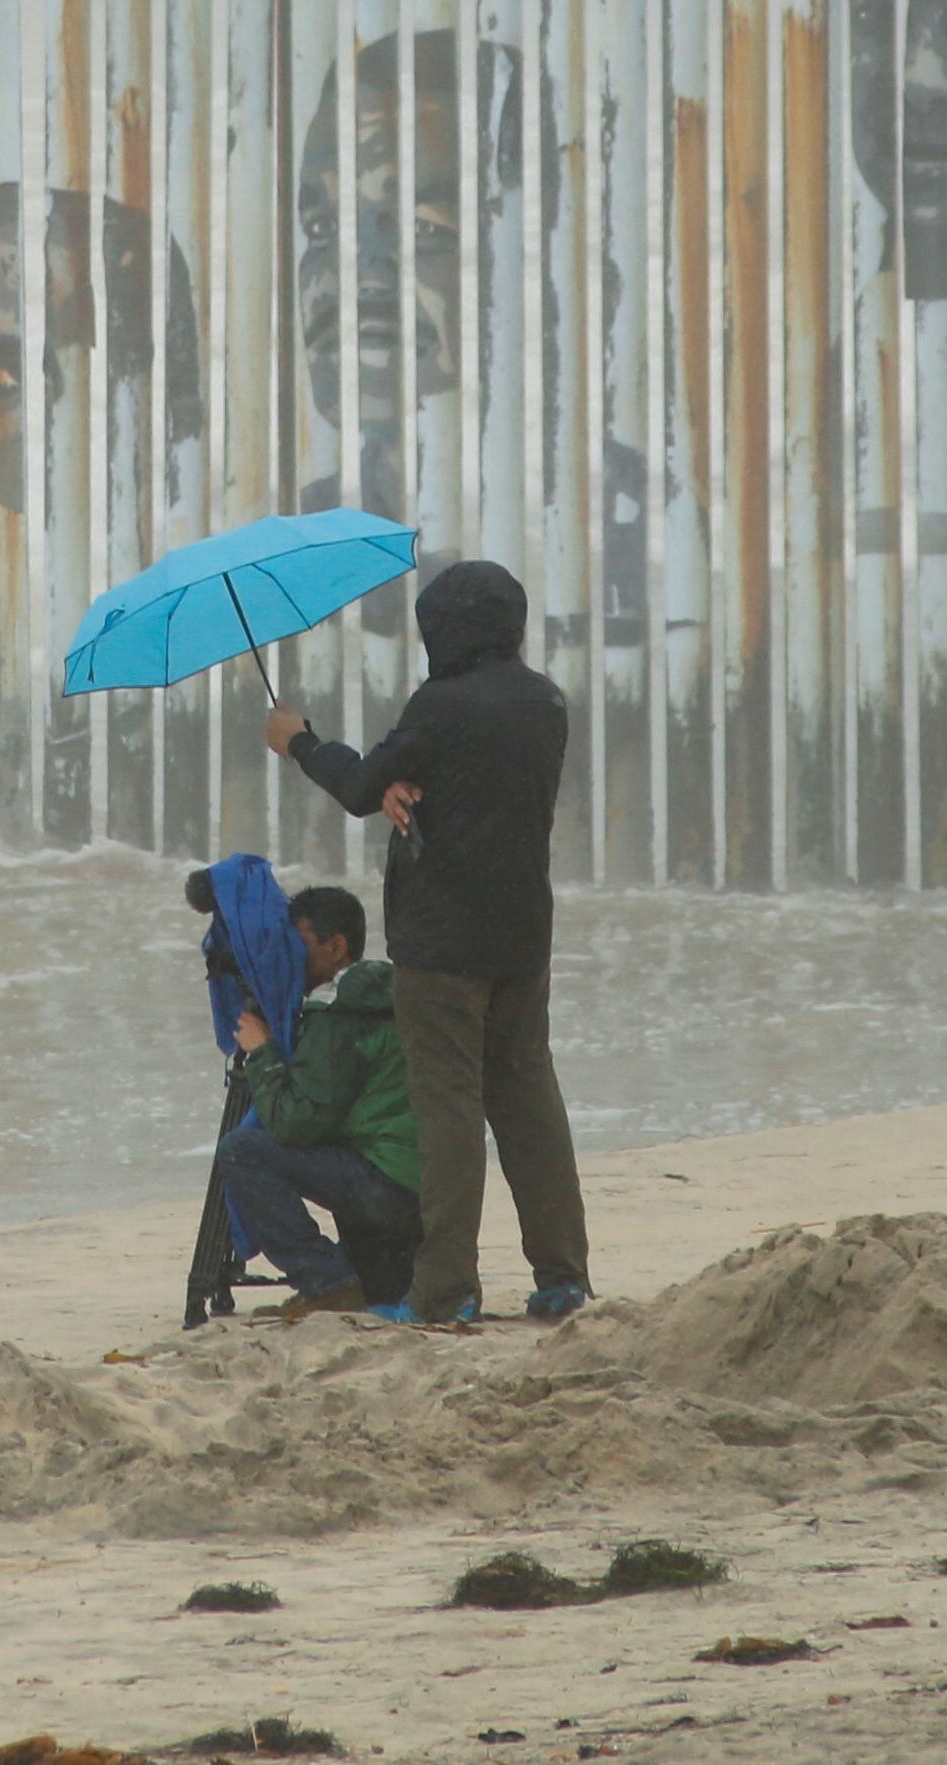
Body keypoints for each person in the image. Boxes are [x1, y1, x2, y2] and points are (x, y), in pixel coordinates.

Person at [262, 557, 590, 1325]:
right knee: (527, 1100)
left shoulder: (439, 704)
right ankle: (563, 1275)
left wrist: (300, 741)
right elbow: (456, 781)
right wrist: (402, 783)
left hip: (441, 943)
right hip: (523, 937)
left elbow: (357, 785)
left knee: (446, 1109)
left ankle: (446, 1290)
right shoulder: (545, 701)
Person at [212, 885, 421, 1316]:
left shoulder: (337, 1012)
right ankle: (350, 1278)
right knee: (382, 1288)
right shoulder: (385, 992)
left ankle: (328, 1284)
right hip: (416, 1183)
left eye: (298, 946)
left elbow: (296, 1124)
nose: (288, 958)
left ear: (337, 947)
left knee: (242, 1152)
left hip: (385, 1186)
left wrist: (263, 1052)